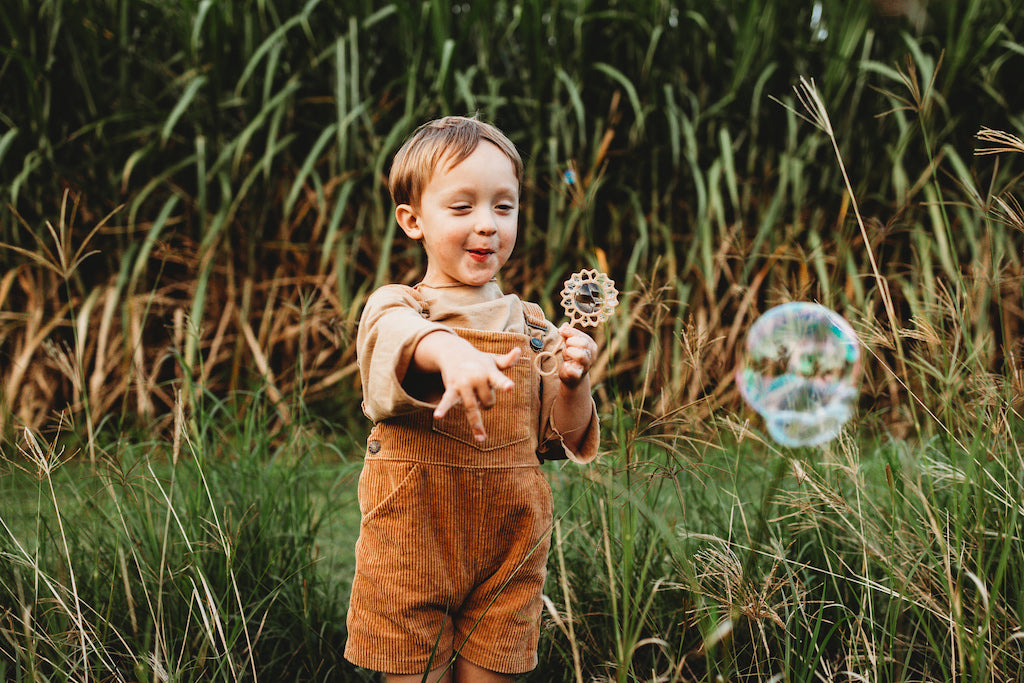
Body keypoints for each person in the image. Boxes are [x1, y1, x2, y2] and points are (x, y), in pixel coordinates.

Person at [344, 115, 601, 682]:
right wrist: (452, 355)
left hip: (510, 545)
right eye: (462, 208)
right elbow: (394, 340)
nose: (486, 225)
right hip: (412, 540)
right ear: (413, 221)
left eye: (502, 207)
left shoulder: (533, 328)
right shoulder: (402, 306)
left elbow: (559, 437)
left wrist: (574, 385)